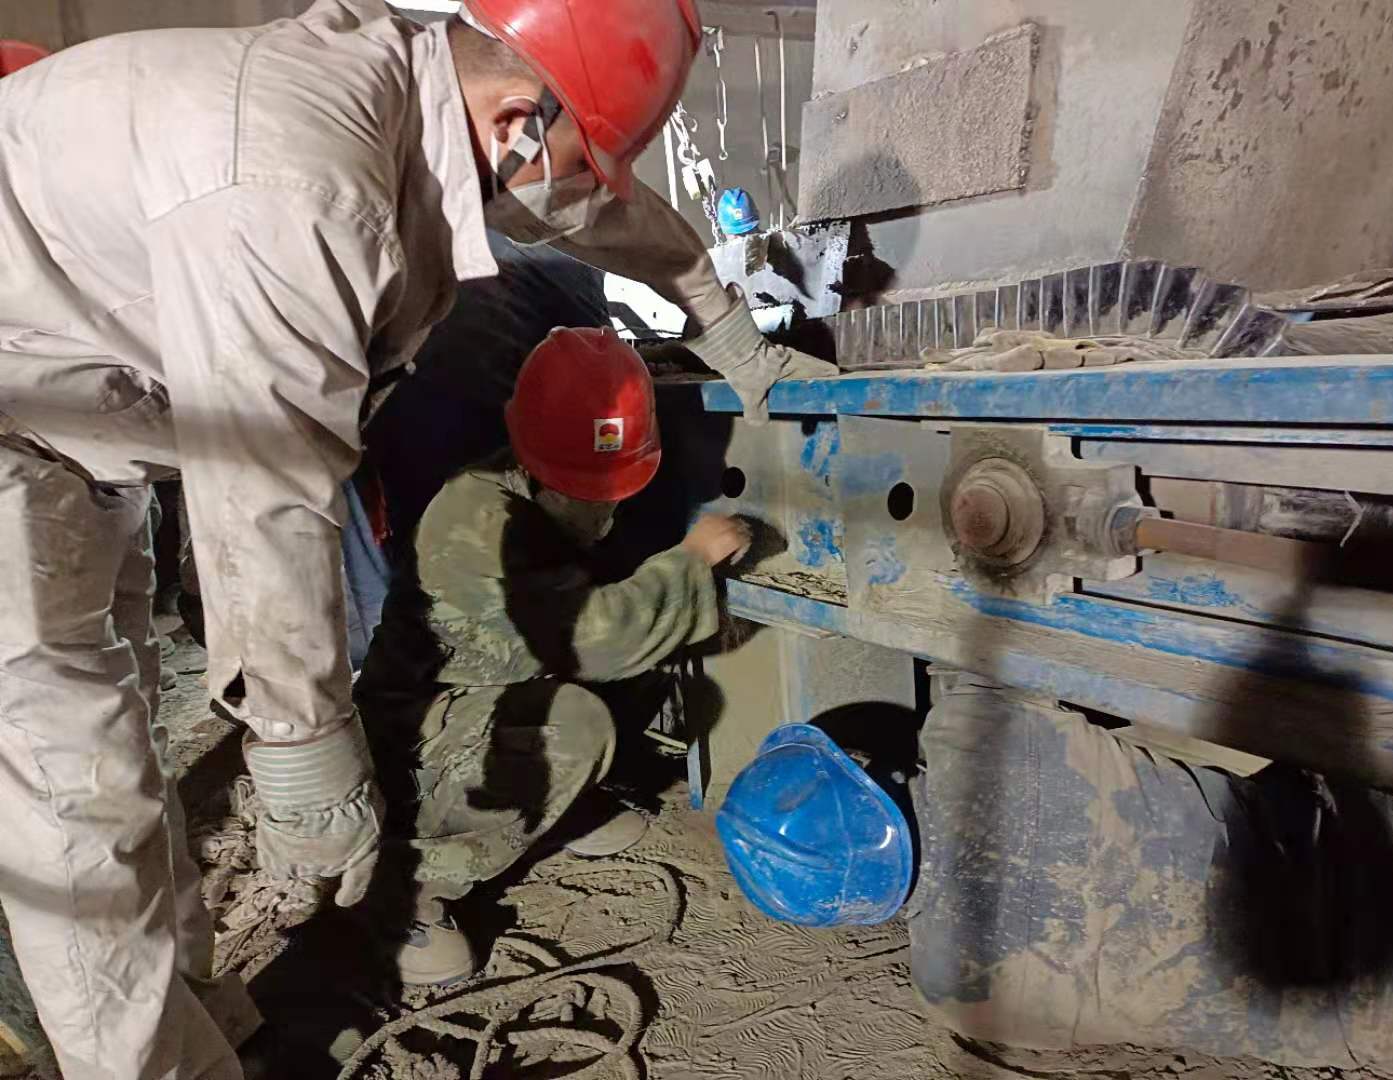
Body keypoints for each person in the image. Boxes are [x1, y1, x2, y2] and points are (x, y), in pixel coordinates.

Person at [0, 1, 828, 1076]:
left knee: (128, 751)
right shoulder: (299, 181)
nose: (582, 203)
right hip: (20, 432)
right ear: (518, 122)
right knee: (78, 794)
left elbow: (611, 220)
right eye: (581, 165)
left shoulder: (430, 108)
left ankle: (202, 1018)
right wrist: (301, 741)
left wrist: (739, 344)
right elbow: (263, 482)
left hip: (90, 426)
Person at [355, 327, 750, 986]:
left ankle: (548, 812)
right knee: (581, 720)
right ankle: (403, 888)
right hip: (415, 736)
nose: (605, 499)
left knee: (636, 656)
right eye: (589, 481)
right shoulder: (481, 518)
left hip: (490, 690)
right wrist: (691, 559)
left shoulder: (530, 482)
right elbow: (599, 639)